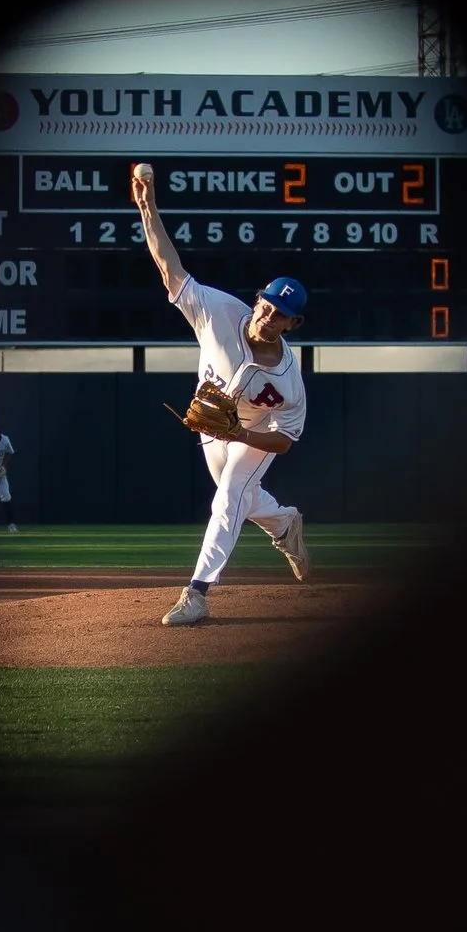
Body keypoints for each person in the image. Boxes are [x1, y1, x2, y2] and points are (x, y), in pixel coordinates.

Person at [129, 168, 312, 625]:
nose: (268, 317)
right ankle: (285, 524)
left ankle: (196, 593)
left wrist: (241, 433)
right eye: (267, 306)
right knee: (243, 501)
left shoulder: (289, 379)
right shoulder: (218, 311)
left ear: (292, 325)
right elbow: (169, 267)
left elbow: (285, 441)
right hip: (213, 428)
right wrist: (148, 208)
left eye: (280, 315)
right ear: (258, 300)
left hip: (253, 434)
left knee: (230, 495)